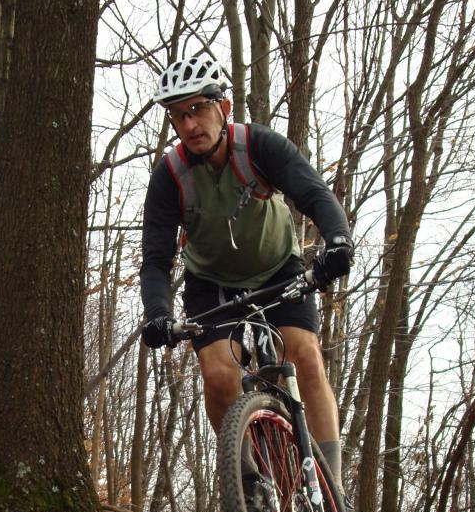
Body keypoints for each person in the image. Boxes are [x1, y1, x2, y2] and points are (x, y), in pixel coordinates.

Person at [139, 54, 354, 485]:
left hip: (277, 269)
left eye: (198, 109)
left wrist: (338, 241)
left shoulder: (258, 146)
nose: (189, 124)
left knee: (306, 356)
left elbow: (313, 193)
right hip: (212, 283)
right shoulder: (171, 175)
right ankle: (251, 484)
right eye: (179, 116)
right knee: (219, 376)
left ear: (224, 108)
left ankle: (330, 484)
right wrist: (158, 314)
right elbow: (156, 261)